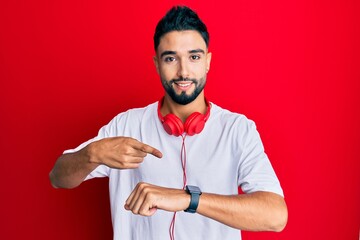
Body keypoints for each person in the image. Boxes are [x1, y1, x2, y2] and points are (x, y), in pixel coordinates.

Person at [49, 5, 288, 240]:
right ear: (157, 64)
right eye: (171, 58)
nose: (183, 71)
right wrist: (92, 153)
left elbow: (276, 216)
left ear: (207, 61)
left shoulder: (238, 130)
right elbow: (57, 178)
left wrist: (187, 199)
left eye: (194, 57)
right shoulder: (125, 125)